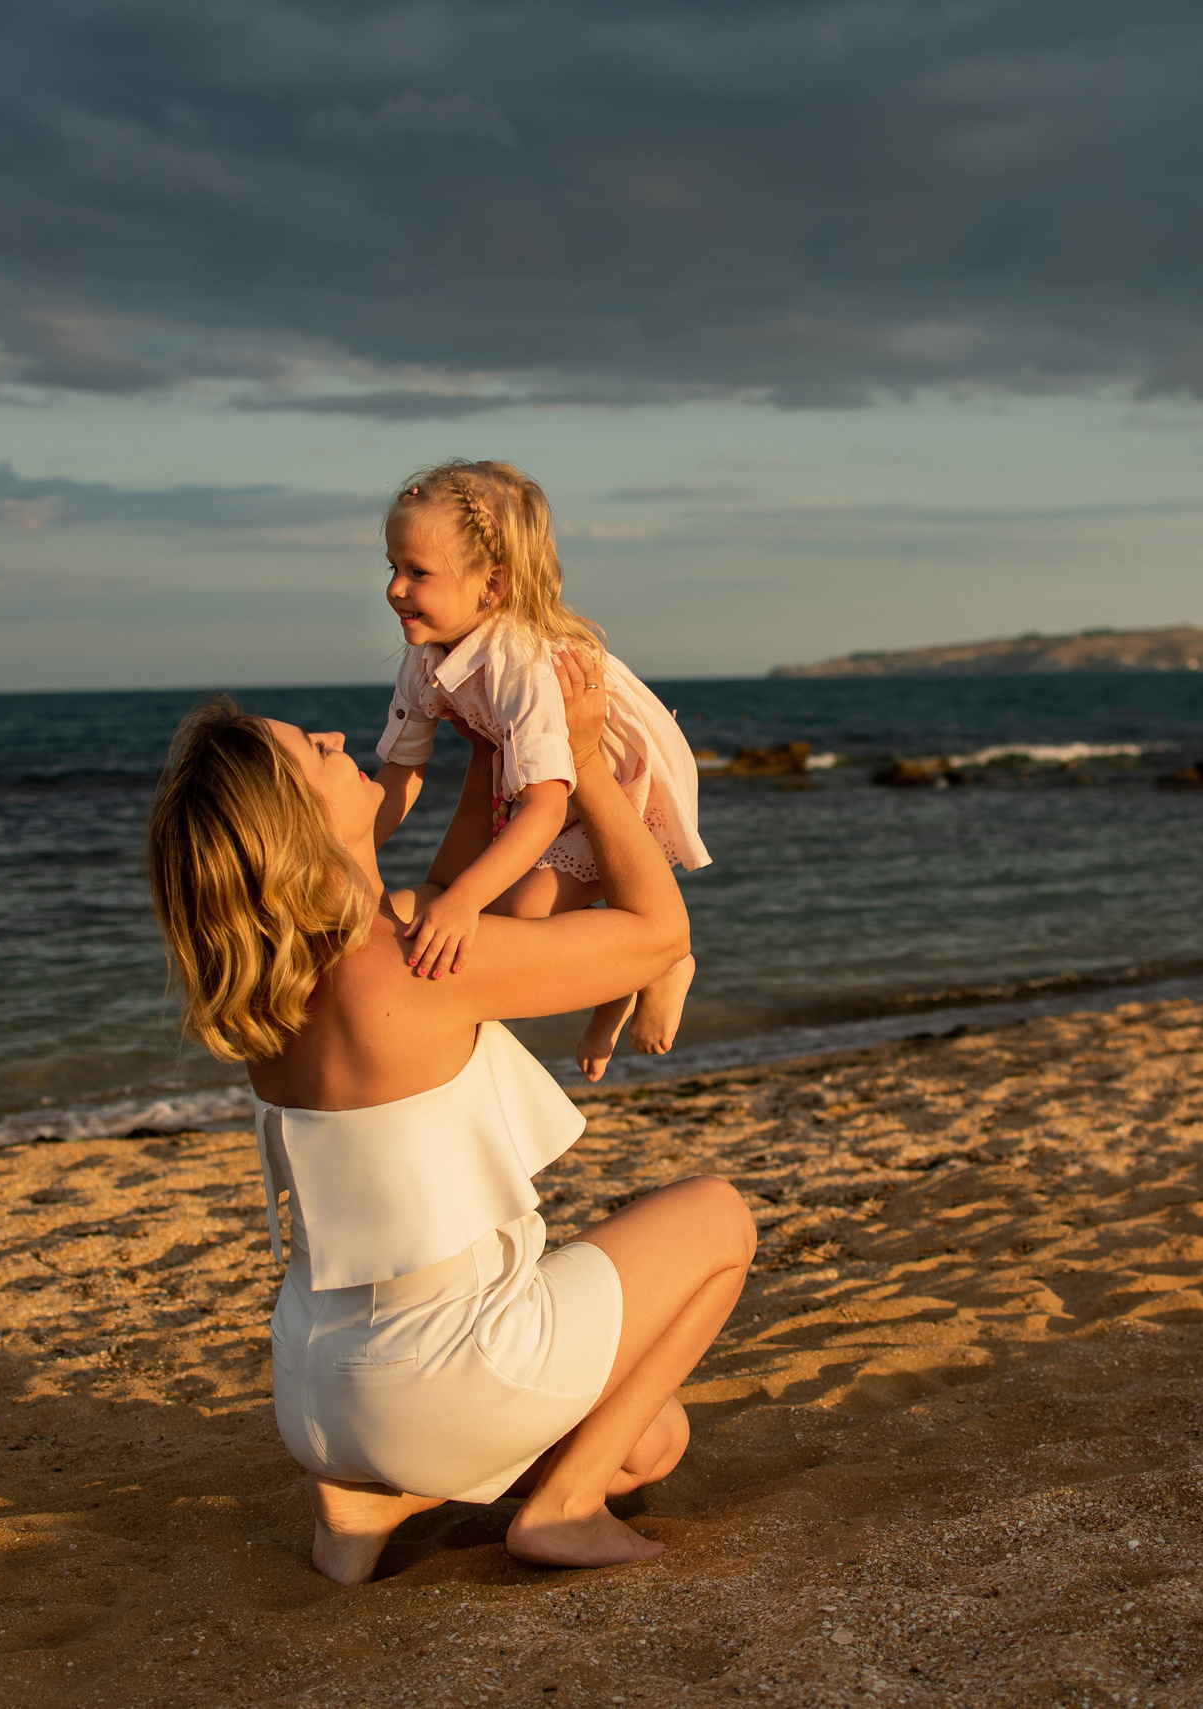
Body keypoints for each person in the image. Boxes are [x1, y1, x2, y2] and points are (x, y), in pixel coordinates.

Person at [144, 655, 756, 1584]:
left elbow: (445, 892)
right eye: (311, 752)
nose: (338, 739)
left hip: (314, 1393)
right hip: (441, 1377)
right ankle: (565, 1505)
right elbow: (658, 932)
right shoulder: (416, 969)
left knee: (645, 1429)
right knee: (717, 1227)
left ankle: (377, 1497)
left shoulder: (282, 986)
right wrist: (583, 762)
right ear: (301, 825)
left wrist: (488, 760)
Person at [370, 459, 708, 1081]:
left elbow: (549, 806)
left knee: (516, 915)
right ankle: (623, 983)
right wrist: (345, 860)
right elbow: (398, 777)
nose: (395, 588)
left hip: (608, 781)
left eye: (417, 572)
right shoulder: (423, 661)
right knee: (459, 906)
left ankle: (662, 962)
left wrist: (466, 902)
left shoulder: (517, 663)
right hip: (533, 787)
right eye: (393, 567)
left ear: (491, 587)